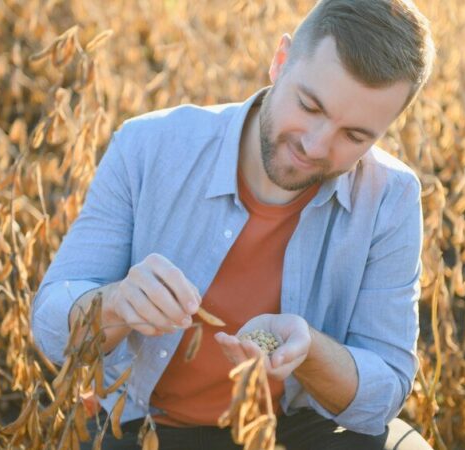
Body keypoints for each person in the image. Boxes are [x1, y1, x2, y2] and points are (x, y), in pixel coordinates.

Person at [31, 0, 435, 448]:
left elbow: (386, 391)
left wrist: (310, 351)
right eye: (309, 106)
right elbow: (50, 328)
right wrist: (117, 303)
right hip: (148, 427)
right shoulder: (149, 147)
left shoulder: (390, 197)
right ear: (279, 62)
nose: (316, 145)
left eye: (355, 136)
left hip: (297, 427)